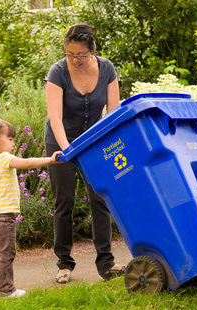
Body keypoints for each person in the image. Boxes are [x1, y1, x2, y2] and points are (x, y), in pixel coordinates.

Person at [44, 23, 124, 284]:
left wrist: (109, 147)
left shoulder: (107, 68)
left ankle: (106, 263)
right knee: (64, 202)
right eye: (70, 54)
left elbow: (113, 113)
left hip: (93, 143)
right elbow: (55, 117)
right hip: (60, 143)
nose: (75, 60)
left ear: (92, 51)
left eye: (80, 55)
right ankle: (64, 264)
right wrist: (67, 149)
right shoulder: (57, 72)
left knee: (100, 199)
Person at [0, 119, 61, 298]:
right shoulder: (4, 158)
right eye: (9, 139)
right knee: (6, 253)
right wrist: (50, 160)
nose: (13, 143)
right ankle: (4, 290)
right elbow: (28, 163)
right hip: (3, 216)